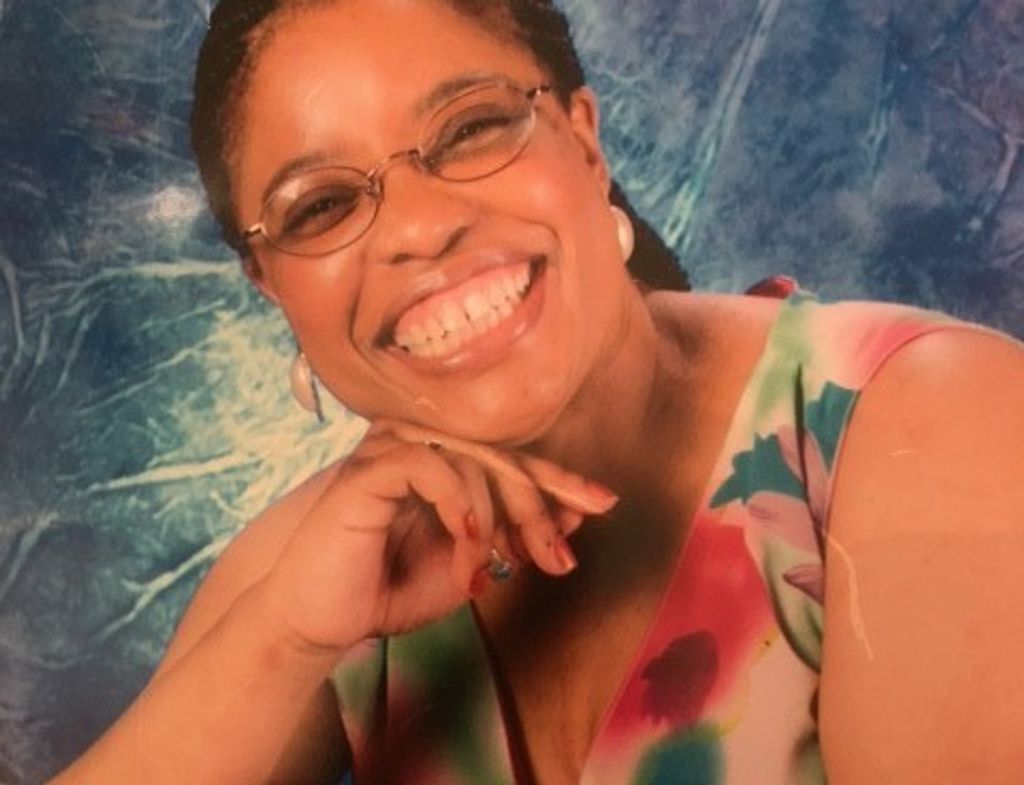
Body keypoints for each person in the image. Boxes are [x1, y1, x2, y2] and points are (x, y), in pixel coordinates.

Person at [51, 0, 1024, 783]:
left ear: (584, 143)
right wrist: (282, 640)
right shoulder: (316, 566)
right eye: (325, 205)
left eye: (470, 128)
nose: (420, 229)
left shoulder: (928, 424)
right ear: (272, 290)